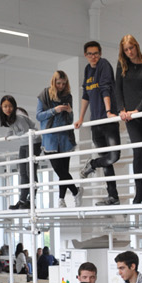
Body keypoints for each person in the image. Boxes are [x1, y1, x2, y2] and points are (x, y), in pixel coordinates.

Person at [112, 34, 142, 205]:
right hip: (130, 117)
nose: (129, 52)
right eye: (126, 49)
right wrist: (122, 110)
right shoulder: (122, 65)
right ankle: (139, 192)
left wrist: (138, 109)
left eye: (131, 48)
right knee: (138, 152)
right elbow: (118, 89)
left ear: (136, 46)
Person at [75, 41, 122, 206]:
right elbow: (86, 95)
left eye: (96, 53)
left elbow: (105, 88)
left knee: (114, 156)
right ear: (85, 55)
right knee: (106, 160)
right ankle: (113, 196)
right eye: (90, 54)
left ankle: (92, 164)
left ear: (100, 53)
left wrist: (109, 111)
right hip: (95, 122)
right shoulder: (88, 69)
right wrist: (80, 118)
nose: (93, 56)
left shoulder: (104, 65)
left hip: (107, 120)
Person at [38, 70, 82, 206]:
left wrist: (69, 112)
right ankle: (76, 191)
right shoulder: (44, 95)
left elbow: (70, 120)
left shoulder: (68, 96)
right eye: (58, 83)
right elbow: (39, 116)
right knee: (60, 170)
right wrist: (54, 110)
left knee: (64, 171)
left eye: (63, 83)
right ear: (54, 82)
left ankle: (61, 199)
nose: (61, 86)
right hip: (50, 139)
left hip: (65, 137)